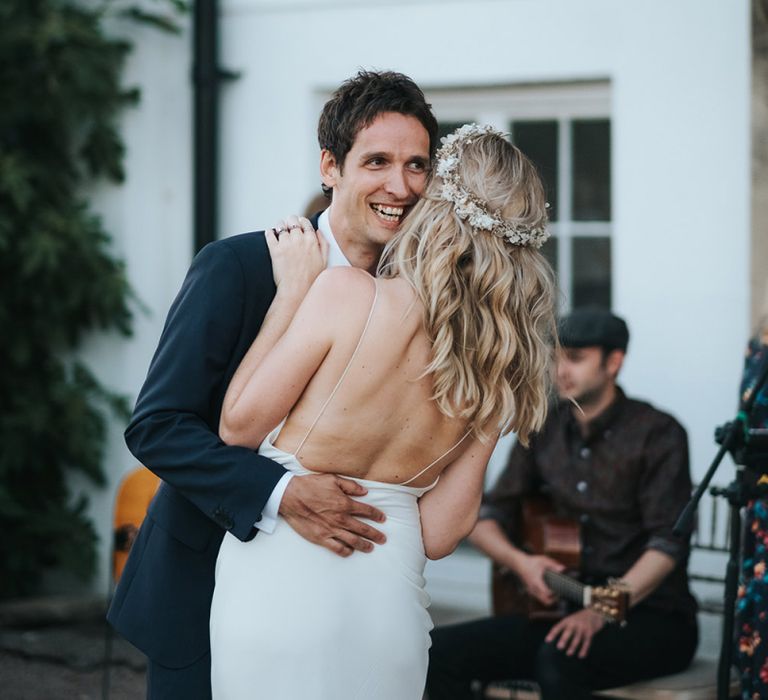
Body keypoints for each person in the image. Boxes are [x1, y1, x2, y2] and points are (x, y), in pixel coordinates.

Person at [107, 70, 439, 699]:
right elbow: (159, 427)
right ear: (330, 166)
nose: (400, 186)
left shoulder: (425, 296)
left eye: (417, 165)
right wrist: (281, 492)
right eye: (377, 161)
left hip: (354, 600)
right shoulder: (238, 267)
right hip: (202, 591)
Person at [208, 123, 556, 698]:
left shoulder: (344, 293)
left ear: (437, 206)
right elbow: (440, 534)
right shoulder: (501, 367)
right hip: (389, 601)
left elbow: (236, 428)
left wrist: (291, 295)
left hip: (278, 583)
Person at [426, 308, 699, 700]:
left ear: (614, 362)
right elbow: (486, 518)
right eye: (555, 357)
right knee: (439, 651)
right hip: (561, 608)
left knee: (558, 661)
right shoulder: (544, 427)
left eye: (575, 358)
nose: (559, 370)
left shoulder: (659, 434)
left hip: (652, 618)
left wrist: (601, 611)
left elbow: (667, 545)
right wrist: (523, 563)